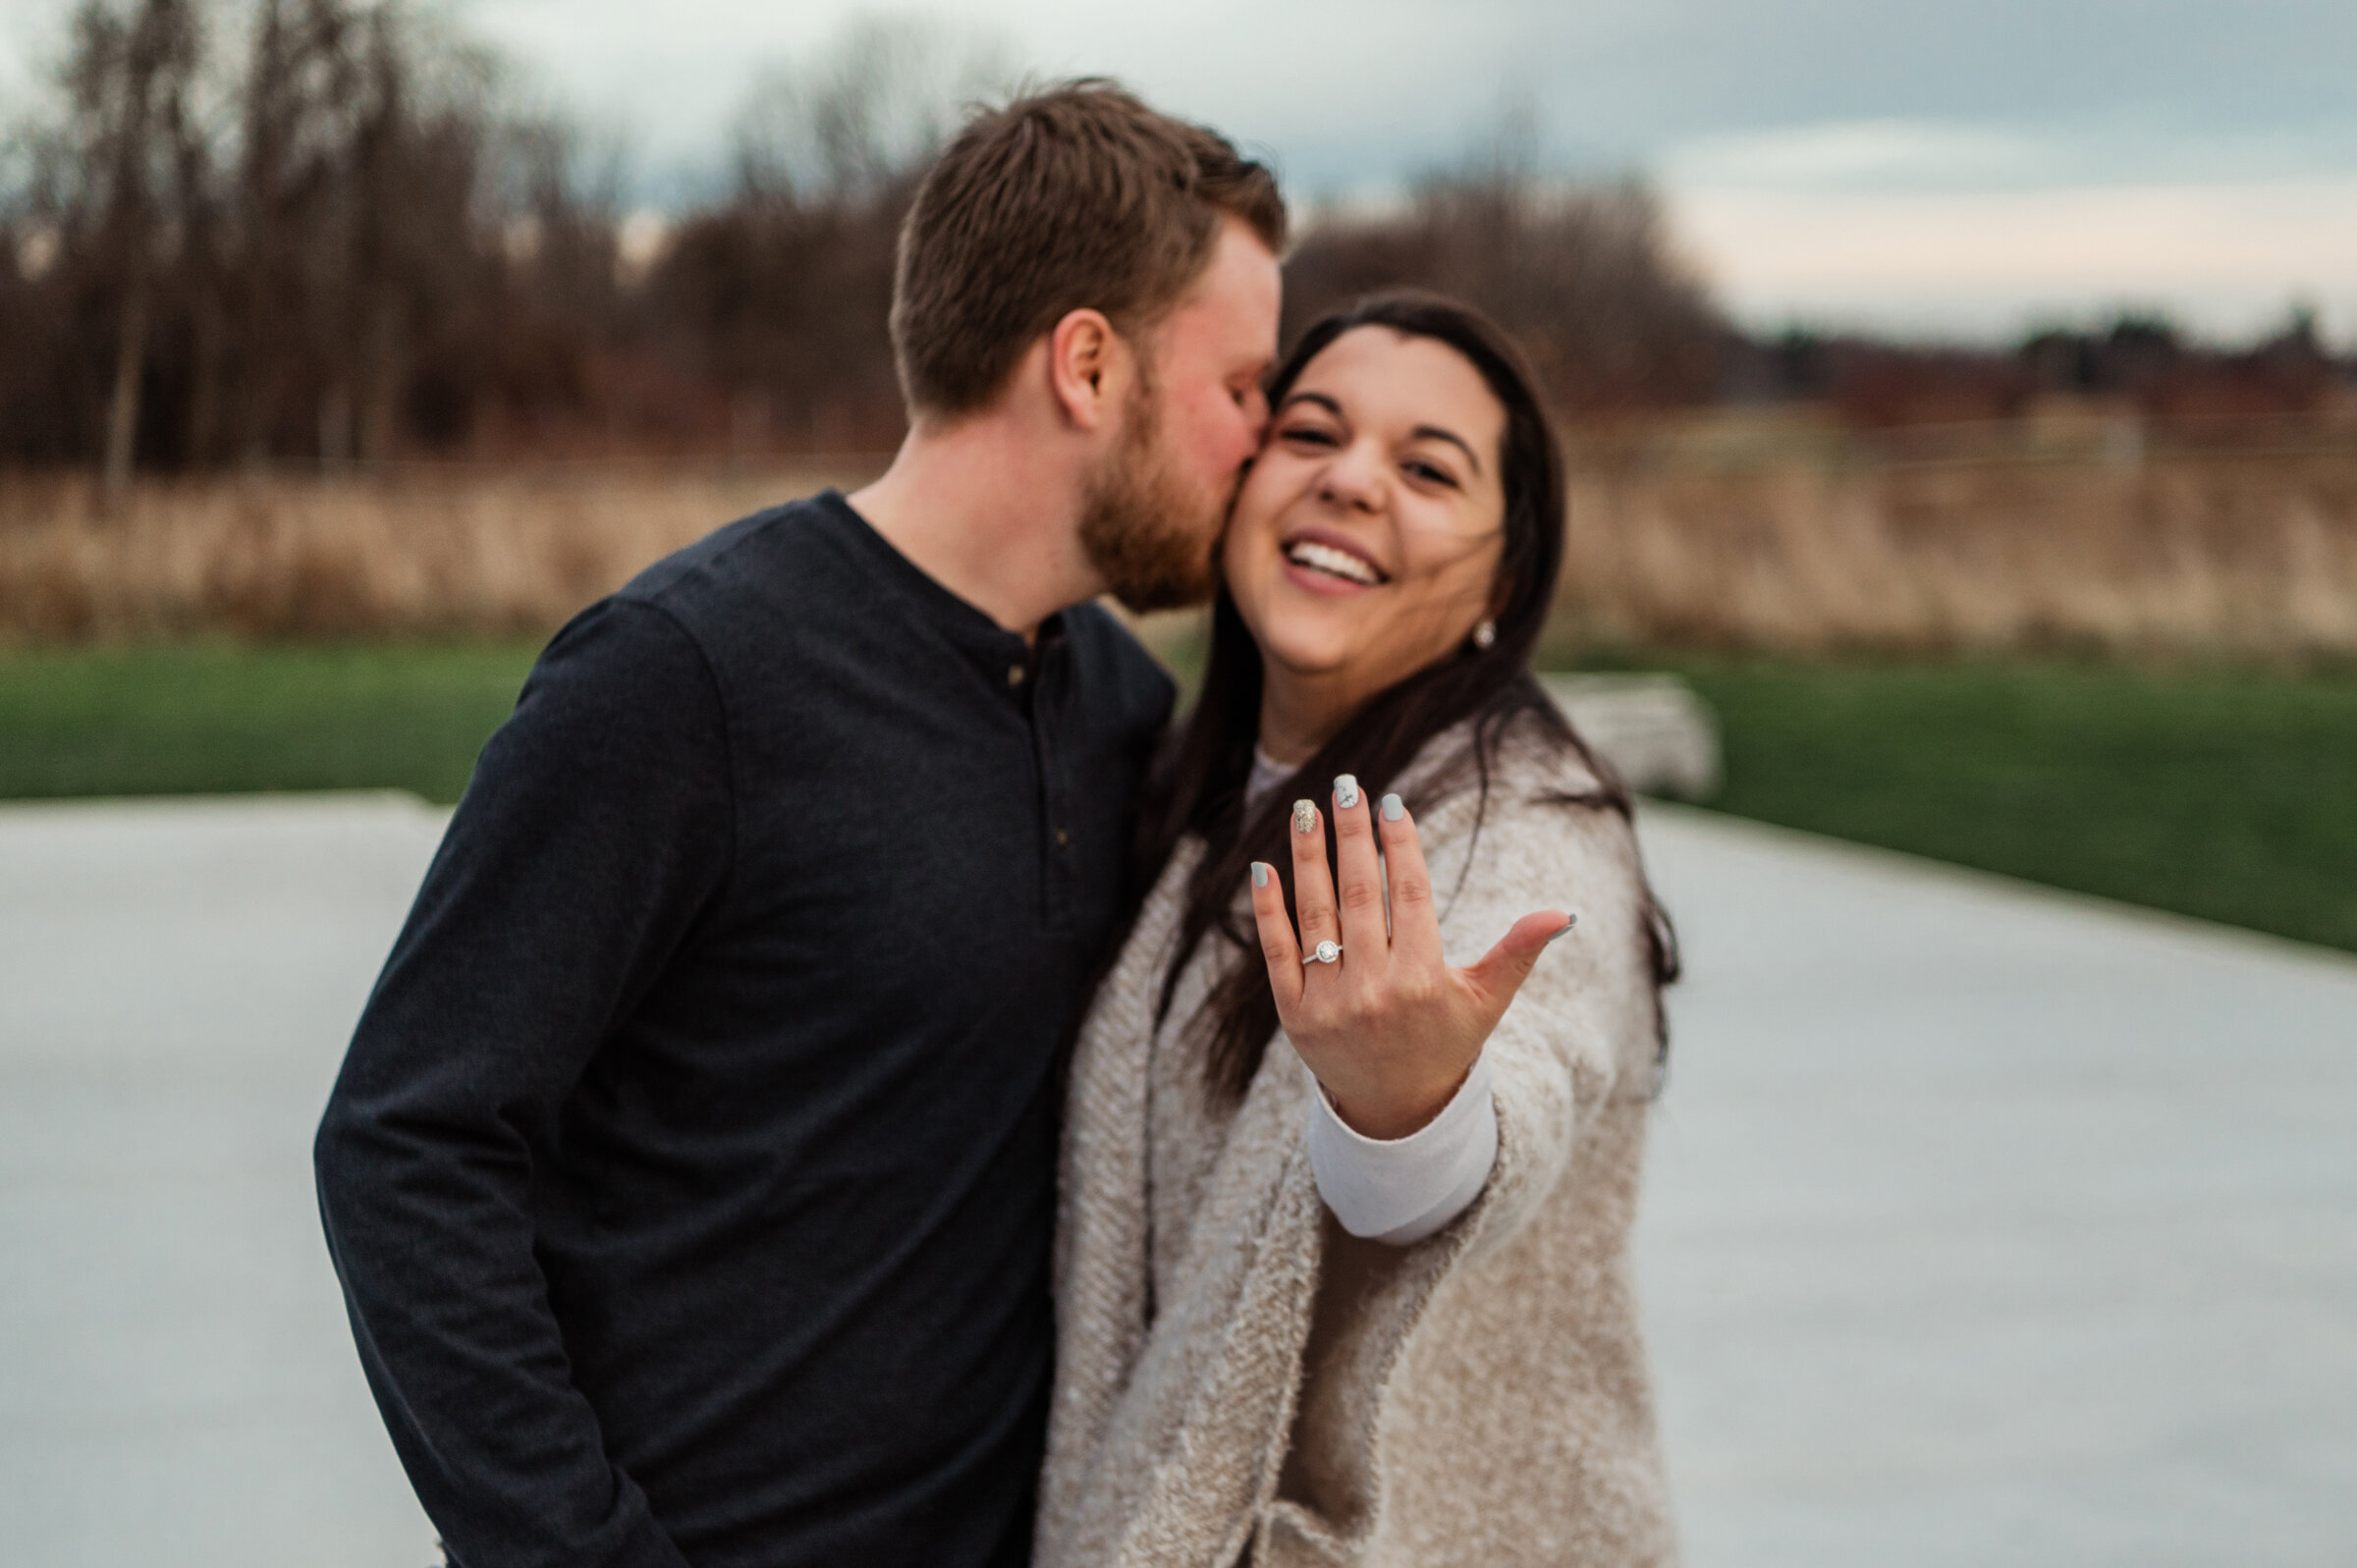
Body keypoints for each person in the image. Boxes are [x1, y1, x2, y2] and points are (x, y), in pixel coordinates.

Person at [312, 82, 1284, 1568]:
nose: (1265, 447)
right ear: (1089, 365)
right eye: (1242, 389)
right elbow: (409, 1140)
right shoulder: (682, 677)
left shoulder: (1118, 714)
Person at [1037, 292, 1683, 1567]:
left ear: (1505, 577)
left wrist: (1414, 1107)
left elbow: (1521, 1075)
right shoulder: (1198, 789)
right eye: (1312, 432)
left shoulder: (1527, 821)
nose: (1352, 481)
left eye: (1427, 468)